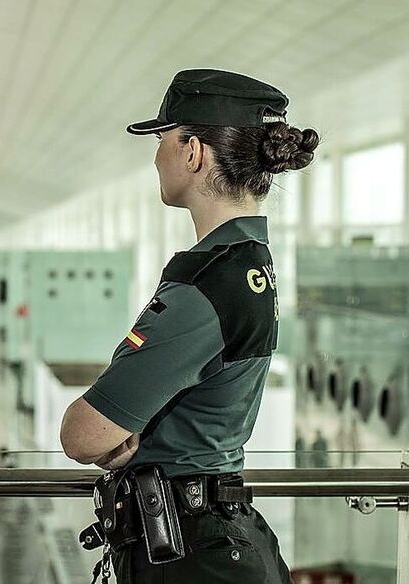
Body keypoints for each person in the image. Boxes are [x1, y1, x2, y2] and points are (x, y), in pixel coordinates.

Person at [59, 70, 317, 584]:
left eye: (162, 139)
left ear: (193, 152)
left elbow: (83, 435)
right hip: (219, 542)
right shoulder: (250, 265)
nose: (157, 155)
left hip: (190, 557)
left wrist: (121, 429)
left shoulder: (205, 285)